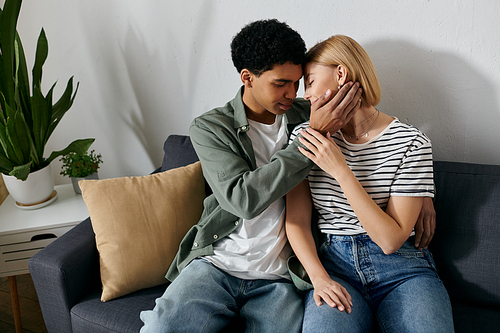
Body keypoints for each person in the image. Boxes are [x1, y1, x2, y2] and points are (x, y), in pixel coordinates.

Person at [140, 19, 363, 333]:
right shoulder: (211, 127)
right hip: (216, 265)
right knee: (160, 329)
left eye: (297, 83)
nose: (292, 93)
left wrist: (420, 195)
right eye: (280, 83)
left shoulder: (306, 114)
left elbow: (367, 146)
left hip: (280, 277)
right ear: (247, 77)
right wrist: (312, 135)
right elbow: (242, 199)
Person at [285, 35, 454, 332]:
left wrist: (341, 170)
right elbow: (296, 221)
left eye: (310, 82)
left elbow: (390, 240)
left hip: (404, 270)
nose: (306, 95)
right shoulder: (305, 136)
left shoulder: (411, 143)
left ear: (341, 73)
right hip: (335, 268)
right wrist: (319, 278)